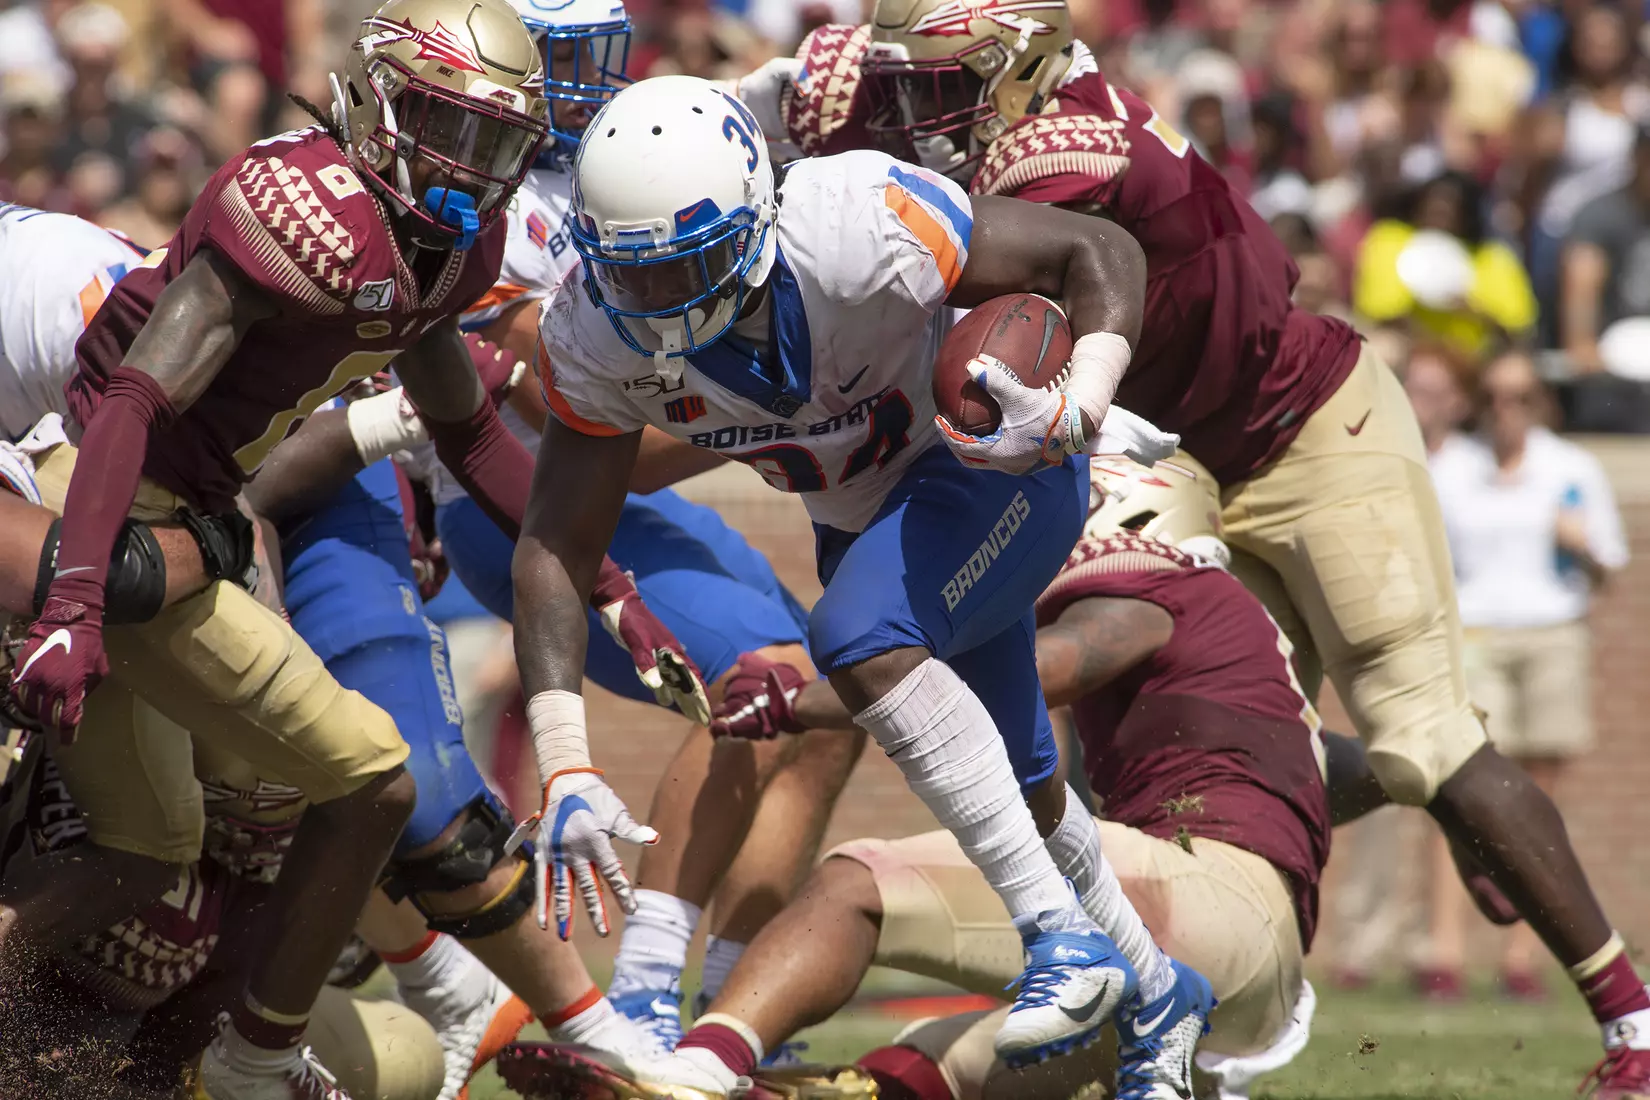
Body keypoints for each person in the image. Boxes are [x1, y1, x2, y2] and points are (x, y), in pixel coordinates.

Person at [761, 3, 1650, 1093]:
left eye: (938, 84)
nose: (914, 111)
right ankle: (1146, 1002)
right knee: (1187, 742)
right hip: (1169, 446)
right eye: (904, 88)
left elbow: (951, 277)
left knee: (1425, 736)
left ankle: (1630, 1023)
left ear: (1019, 69)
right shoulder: (1022, 110)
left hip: (1305, 423)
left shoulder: (1055, 149)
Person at [513, 68, 1206, 1096]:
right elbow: (556, 543)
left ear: (753, 212)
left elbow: (1095, 248)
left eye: (685, 264)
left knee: (857, 630)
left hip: (995, 466)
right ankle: (1159, 994)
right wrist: (564, 758)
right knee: (1019, 774)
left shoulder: (856, 220)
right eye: (637, 273)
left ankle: (1062, 938)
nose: (659, 297)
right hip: (867, 520)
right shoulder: (596, 329)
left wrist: (1082, 400)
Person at [3, 3, 553, 1096]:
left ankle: (149, 1069)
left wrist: (607, 574)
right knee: (268, 789)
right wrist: (76, 608)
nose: (472, 168)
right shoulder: (148, 305)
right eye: (453, 127)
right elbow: (118, 448)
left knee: (222, 843)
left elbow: (232, 482)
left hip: (117, 510)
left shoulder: (404, 254)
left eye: (497, 142)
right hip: (80, 517)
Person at [493, 454, 1354, 1100]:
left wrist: (805, 697)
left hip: (1196, 909)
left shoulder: (1152, 585)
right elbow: (1343, 772)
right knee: (905, 1080)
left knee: (855, 884)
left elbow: (1066, 659)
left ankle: (691, 1070)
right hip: (1255, 972)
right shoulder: (1248, 647)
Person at [402, 0, 863, 1052]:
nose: (581, 83)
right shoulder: (492, 202)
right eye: (560, 59)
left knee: (836, 700)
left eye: (593, 57)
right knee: (765, 673)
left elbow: (754, 113)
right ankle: (652, 994)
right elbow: (568, 424)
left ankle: (746, 1007)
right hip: (521, 511)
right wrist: (769, 405)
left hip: (639, 502)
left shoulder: (614, 166)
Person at [1424, 349, 1628, 1001]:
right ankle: (1445, 952)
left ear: (1542, 403)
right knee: (1460, 793)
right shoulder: (1453, 470)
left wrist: (1583, 546)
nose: (1506, 410)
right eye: (1494, 397)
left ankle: (1524, 957)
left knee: (1540, 800)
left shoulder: (1571, 469)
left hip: (1552, 631)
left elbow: (1609, 566)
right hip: (1476, 635)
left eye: (1520, 398)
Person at [1353, 170, 1537, 358]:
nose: (1439, 218)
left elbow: (1518, 328)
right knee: (1384, 349)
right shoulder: (1388, 240)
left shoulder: (1493, 257)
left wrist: (1472, 309)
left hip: (1475, 356)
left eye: (1449, 212)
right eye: (1432, 209)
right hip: (1409, 348)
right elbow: (1376, 310)